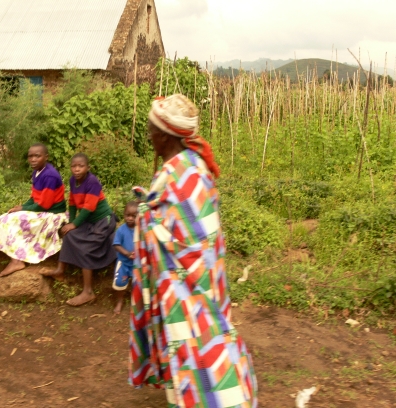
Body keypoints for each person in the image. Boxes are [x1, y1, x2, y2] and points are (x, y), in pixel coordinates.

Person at [129, 95, 257, 407]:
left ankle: (222, 396)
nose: (148, 136)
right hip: (202, 272)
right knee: (195, 332)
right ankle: (186, 392)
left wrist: (148, 215)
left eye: (150, 130)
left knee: (194, 335)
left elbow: (184, 227)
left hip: (184, 277)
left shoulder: (178, 172)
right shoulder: (193, 164)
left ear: (163, 136)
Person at [41, 153, 116, 306]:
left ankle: (88, 292)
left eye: (80, 166)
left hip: (102, 221)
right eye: (74, 166)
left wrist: (75, 224)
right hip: (88, 221)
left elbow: (89, 208)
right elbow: (72, 203)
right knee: (69, 234)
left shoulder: (92, 182)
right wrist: (71, 223)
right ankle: (60, 271)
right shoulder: (72, 181)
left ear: (88, 167)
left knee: (86, 247)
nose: (76, 169)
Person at [0, 143, 67, 277]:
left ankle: (17, 261)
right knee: (4, 218)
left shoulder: (50, 175)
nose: (33, 159)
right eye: (30, 156)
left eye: (37, 156)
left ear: (46, 157)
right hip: (43, 209)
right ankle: (16, 260)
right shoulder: (37, 172)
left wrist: (23, 208)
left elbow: (45, 204)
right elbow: (34, 197)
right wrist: (21, 208)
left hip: (52, 213)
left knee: (10, 221)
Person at [112, 201, 137, 314]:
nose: (130, 218)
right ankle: (120, 301)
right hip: (123, 263)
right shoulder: (121, 230)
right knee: (120, 282)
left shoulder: (141, 230)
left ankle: (136, 302)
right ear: (124, 214)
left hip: (137, 264)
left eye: (133, 216)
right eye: (128, 215)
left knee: (139, 284)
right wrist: (127, 253)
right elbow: (116, 245)